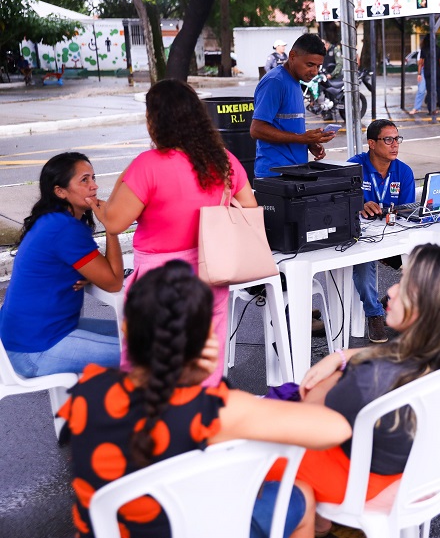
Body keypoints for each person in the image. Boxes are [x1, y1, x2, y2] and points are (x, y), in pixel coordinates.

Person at [58, 260, 352, 538]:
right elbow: (336, 429)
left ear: (125, 329)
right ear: (207, 341)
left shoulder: (88, 389)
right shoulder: (216, 410)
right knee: (299, 493)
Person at [293, 244, 440, 536]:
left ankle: (319, 522)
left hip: (366, 485)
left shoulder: (372, 380)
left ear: (429, 306)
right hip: (421, 474)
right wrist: (340, 356)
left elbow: (306, 419)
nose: (391, 291)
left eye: (404, 284)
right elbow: (396, 354)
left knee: (280, 474)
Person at [102, 79, 256, 386]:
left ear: (154, 120)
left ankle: (158, 429)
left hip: (158, 282)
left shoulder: (148, 165)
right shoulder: (223, 161)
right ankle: (201, 424)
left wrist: (123, 177)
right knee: (206, 362)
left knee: (150, 368)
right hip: (212, 273)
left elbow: (114, 222)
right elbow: (250, 210)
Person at [0, 153, 124, 378]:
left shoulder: (52, 220)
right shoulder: (65, 229)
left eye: (93, 178)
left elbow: (100, 274)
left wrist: (93, 273)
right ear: (60, 191)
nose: (94, 186)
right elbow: (114, 282)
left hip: (24, 339)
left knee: (141, 334)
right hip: (35, 349)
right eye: (84, 180)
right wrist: (111, 226)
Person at [347, 119, 416, 343]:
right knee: (364, 265)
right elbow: (341, 202)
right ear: (372, 144)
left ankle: (390, 303)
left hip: (393, 237)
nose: (395, 144)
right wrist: (359, 206)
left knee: (424, 262)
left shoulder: (403, 171)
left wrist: (387, 212)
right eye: (388, 139)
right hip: (362, 238)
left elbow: (406, 212)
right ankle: (374, 314)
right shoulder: (353, 167)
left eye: (397, 139)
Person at [250, 34, 336, 179]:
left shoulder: (296, 81)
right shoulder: (275, 81)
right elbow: (257, 129)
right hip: (275, 174)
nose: (314, 72)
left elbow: (287, 127)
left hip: (296, 171)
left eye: (318, 66)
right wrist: (302, 139)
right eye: (310, 65)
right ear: (292, 56)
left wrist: (309, 142)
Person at [418, 34, 440, 114]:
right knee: (439, 90)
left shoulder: (424, 49)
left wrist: (419, 73)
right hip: (437, 72)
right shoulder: (437, 49)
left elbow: (421, 62)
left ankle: (431, 110)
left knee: (430, 91)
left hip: (428, 72)